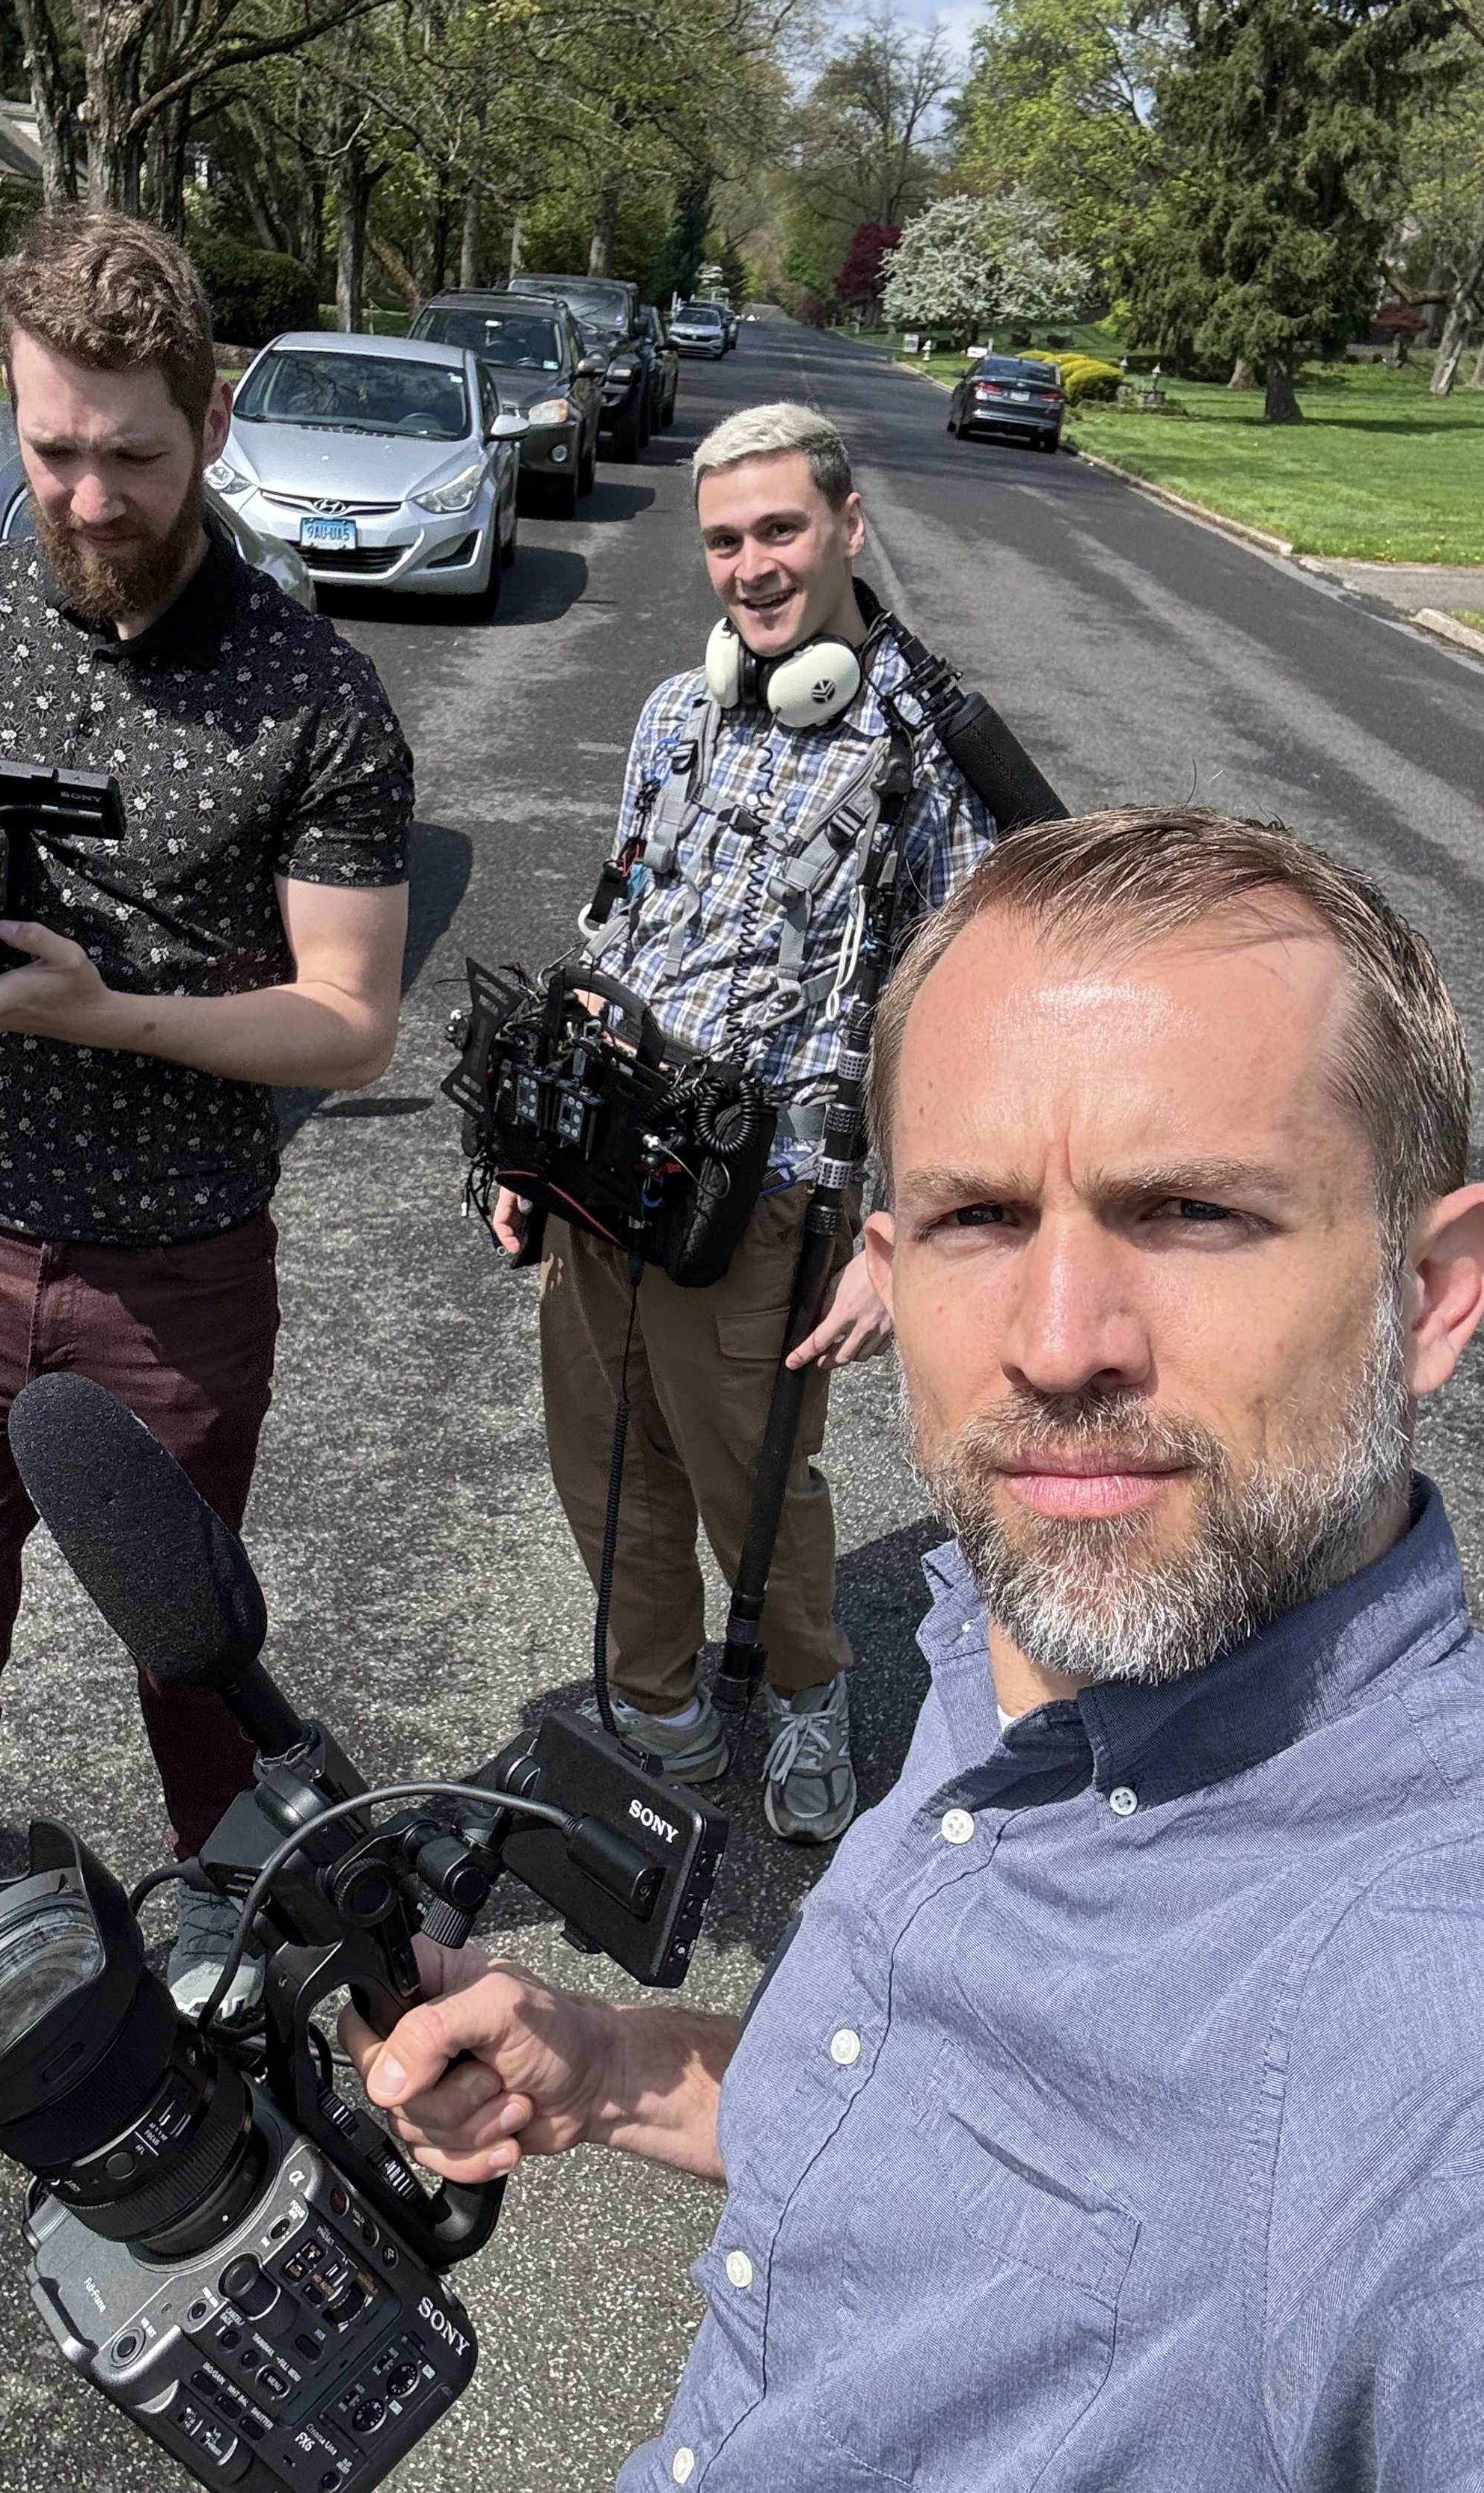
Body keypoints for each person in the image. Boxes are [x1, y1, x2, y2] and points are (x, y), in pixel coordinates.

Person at [344, 809, 1484, 2489]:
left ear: (1433, 1292)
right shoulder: (1011, 1632)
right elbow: (940, 2134)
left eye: (1190, 1210)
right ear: (886, 1274)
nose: (1055, 1342)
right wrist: (608, 2068)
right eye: (978, 1219)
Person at [0, 212, 412, 2218]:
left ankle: (244, 2038)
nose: (90, 497)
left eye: (131, 453)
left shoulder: (317, 696)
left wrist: (103, 1004)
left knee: (196, 1672)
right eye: (52, 451)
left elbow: (352, 1020)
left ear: (210, 419)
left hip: (173, 1271)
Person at [493, 401, 992, 1843]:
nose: (753, 566)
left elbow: (961, 1025)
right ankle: (662, 1713)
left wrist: (904, 1231)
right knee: (605, 1458)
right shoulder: (673, 713)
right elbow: (613, 934)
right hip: (609, 1172)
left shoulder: (921, 760)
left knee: (751, 1493)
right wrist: (525, 1150)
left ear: (848, 525)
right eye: (725, 539)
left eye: (781, 529)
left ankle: (808, 1700)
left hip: (770, 1198)